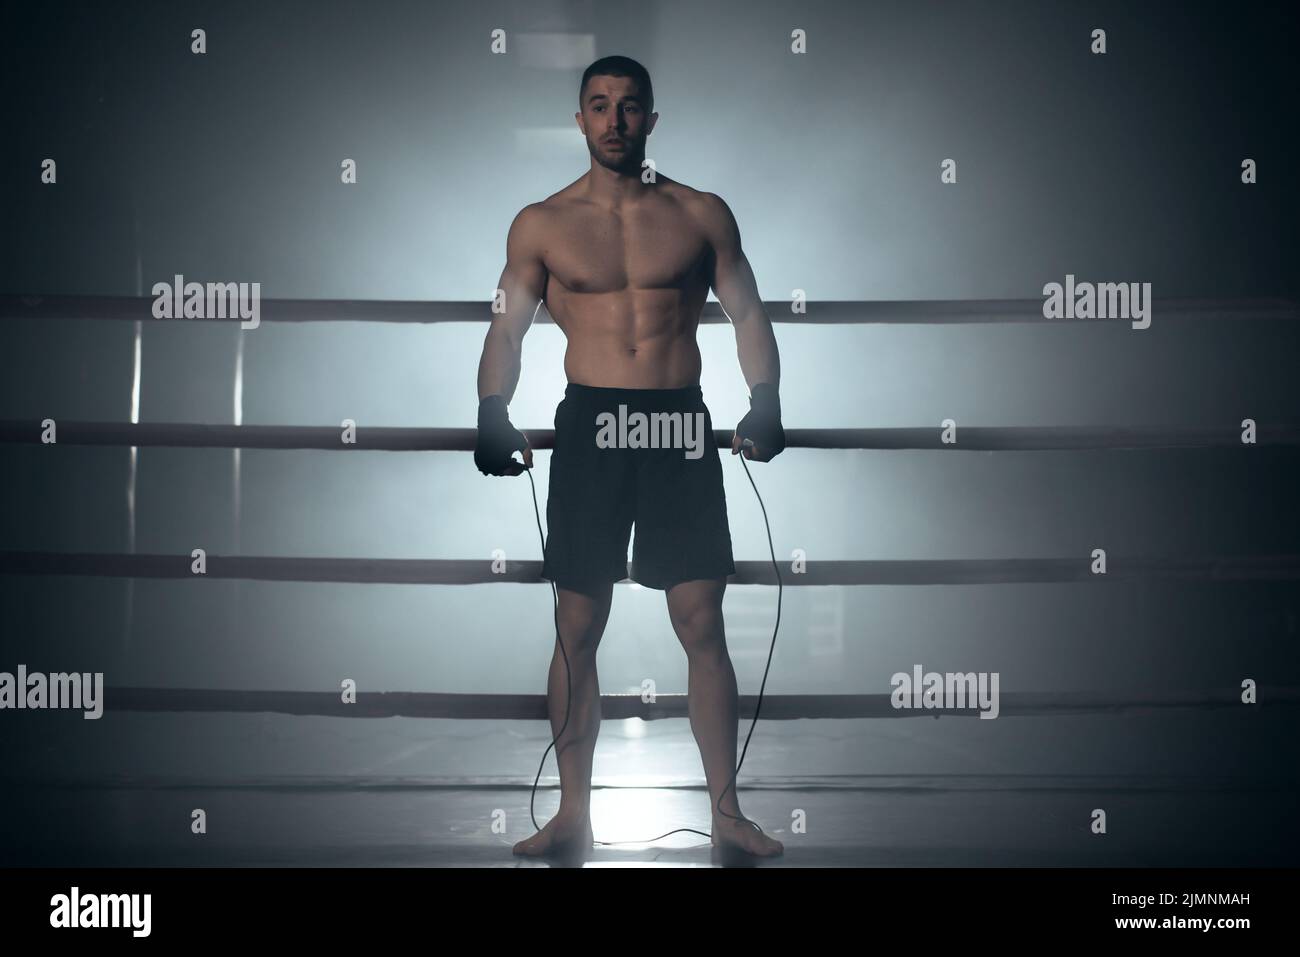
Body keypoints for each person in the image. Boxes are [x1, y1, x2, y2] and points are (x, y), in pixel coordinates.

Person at [474, 55, 785, 859]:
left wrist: (765, 397)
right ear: (579, 119)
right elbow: (506, 326)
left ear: (651, 117)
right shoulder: (540, 223)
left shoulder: (700, 213)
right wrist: (491, 408)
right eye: (599, 106)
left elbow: (747, 310)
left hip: (678, 423)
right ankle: (573, 811)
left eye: (629, 106)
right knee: (576, 624)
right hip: (592, 425)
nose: (614, 120)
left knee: (701, 620)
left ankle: (725, 811)